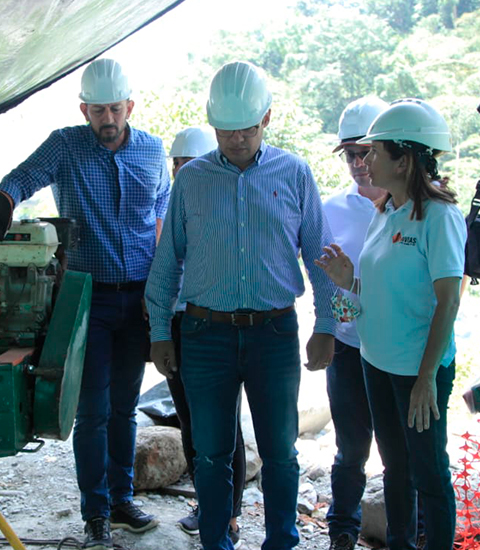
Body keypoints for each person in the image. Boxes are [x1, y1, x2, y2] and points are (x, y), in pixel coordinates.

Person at [0, 58, 168, 550]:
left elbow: (161, 221)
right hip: (86, 298)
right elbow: (21, 178)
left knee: (126, 409)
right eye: (97, 110)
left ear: (130, 107)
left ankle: (122, 500)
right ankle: (95, 510)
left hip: (139, 298)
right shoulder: (66, 145)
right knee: (93, 410)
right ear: (84, 109)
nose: (107, 119)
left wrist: (161, 296)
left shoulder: (152, 151)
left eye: (115, 110)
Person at [146, 61, 338, 550]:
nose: (236, 140)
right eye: (226, 131)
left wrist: (327, 324)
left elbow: (320, 256)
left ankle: (280, 542)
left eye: (247, 129)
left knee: (279, 452)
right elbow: (167, 263)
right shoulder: (192, 180)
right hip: (204, 334)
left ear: (267, 119)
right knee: (210, 453)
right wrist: (160, 332)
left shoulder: (294, 173)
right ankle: (216, 541)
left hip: (272, 334)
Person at [316, 98, 464, 550]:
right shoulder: (386, 211)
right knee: (395, 468)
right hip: (375, 363)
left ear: (404, 159)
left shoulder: (439, 217)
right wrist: (349, 281)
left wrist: (425, 381)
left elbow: (448, 301)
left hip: (415, 372)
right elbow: (386, 288)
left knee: (429, 472)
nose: (364, 161)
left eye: (375, 152)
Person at [160, 127, 246, 548]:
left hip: (211, 324)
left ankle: (228, 513)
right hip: (178, 325)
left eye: (190, 164)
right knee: (191, 421)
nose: (183, 171)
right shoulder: (172, 204)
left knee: (224, 422)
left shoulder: (219, 205)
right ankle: (205, 502)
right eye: (177, 165)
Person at [321, 96, 388, 550]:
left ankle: (414, 532)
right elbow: (323, 278)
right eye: (351, 155)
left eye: (367, 152)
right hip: (347, 347)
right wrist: (327, 325)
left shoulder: (414, 209)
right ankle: (342, 531)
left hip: (398, 349)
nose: (360, 164)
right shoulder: (331, 209)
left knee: (402, 450)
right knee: (350, 449)